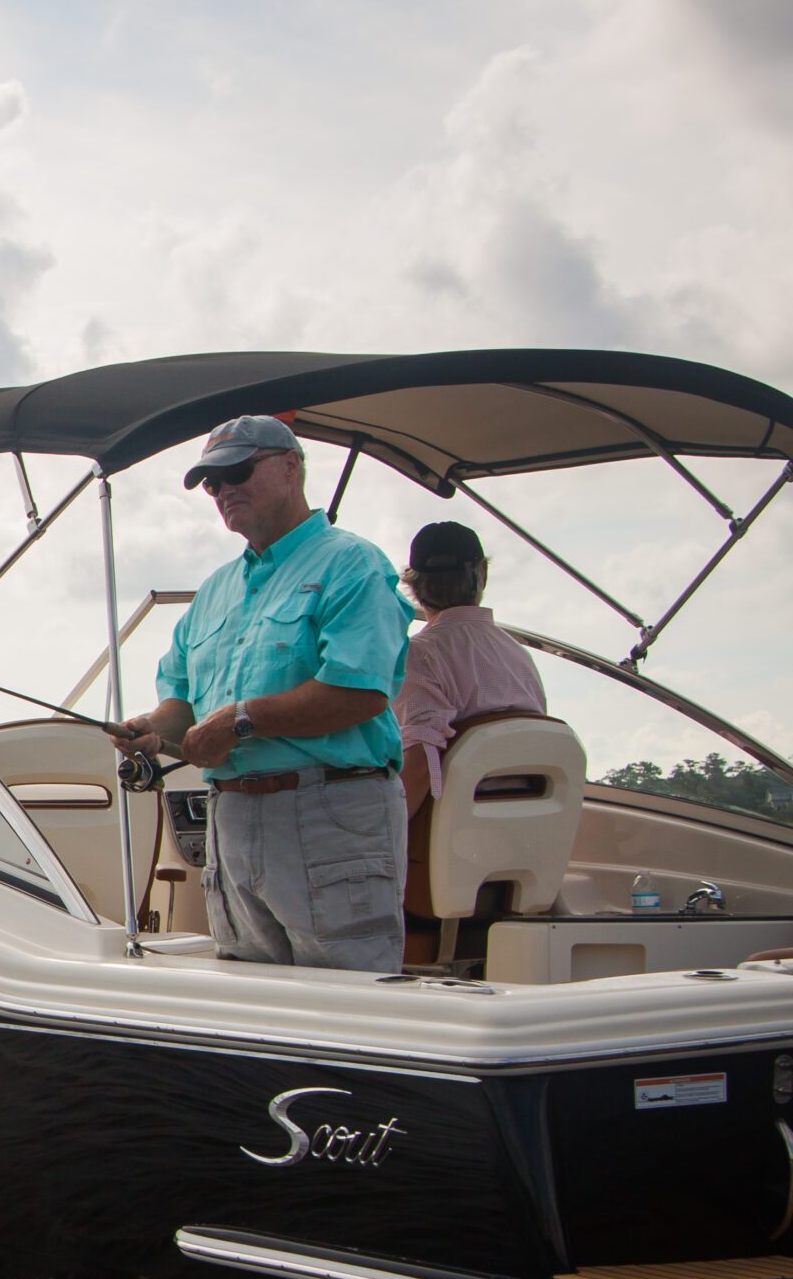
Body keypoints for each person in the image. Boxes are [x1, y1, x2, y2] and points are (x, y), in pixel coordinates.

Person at [111, 415, 412, 970]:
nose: (224, 490)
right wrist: (155, 732)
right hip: (232, 824)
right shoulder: (215, 590)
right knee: (251, 1002)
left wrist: (240, 721)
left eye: (238, 472)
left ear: (291, 466)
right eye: (212, 483)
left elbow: (361, 692)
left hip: (331, 813)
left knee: (350, 1010)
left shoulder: (352, 563)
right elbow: (183, 702)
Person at [395, 520, 546, 816]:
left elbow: (420, 767)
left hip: (449, 838)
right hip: (523, 826)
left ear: (412, 587)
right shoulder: (519, 656)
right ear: (482, 574)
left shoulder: (418, 656)